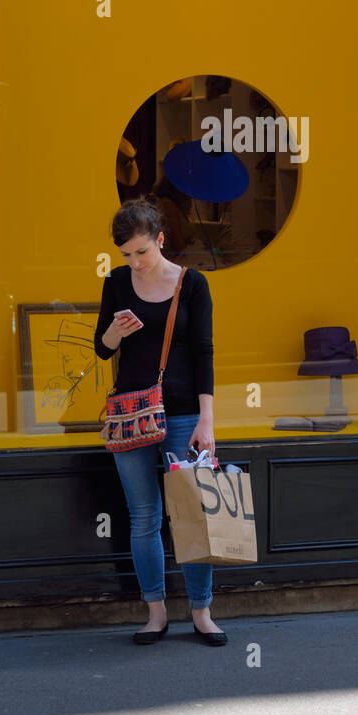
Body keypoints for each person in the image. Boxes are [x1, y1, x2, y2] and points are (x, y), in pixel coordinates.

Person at [93, 196, 227, 646]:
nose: (135, 262)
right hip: (131, 412)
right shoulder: (116, 283)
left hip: (185, 412)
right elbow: (102, 347)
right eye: (127, 254)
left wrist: (207, 421)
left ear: (160, 240)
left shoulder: (193, 284)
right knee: (143, 516)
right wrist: (117, 331)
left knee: (191, 514)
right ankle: (155, 613)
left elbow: (205, 352)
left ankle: (202, 612)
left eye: (142, 252)